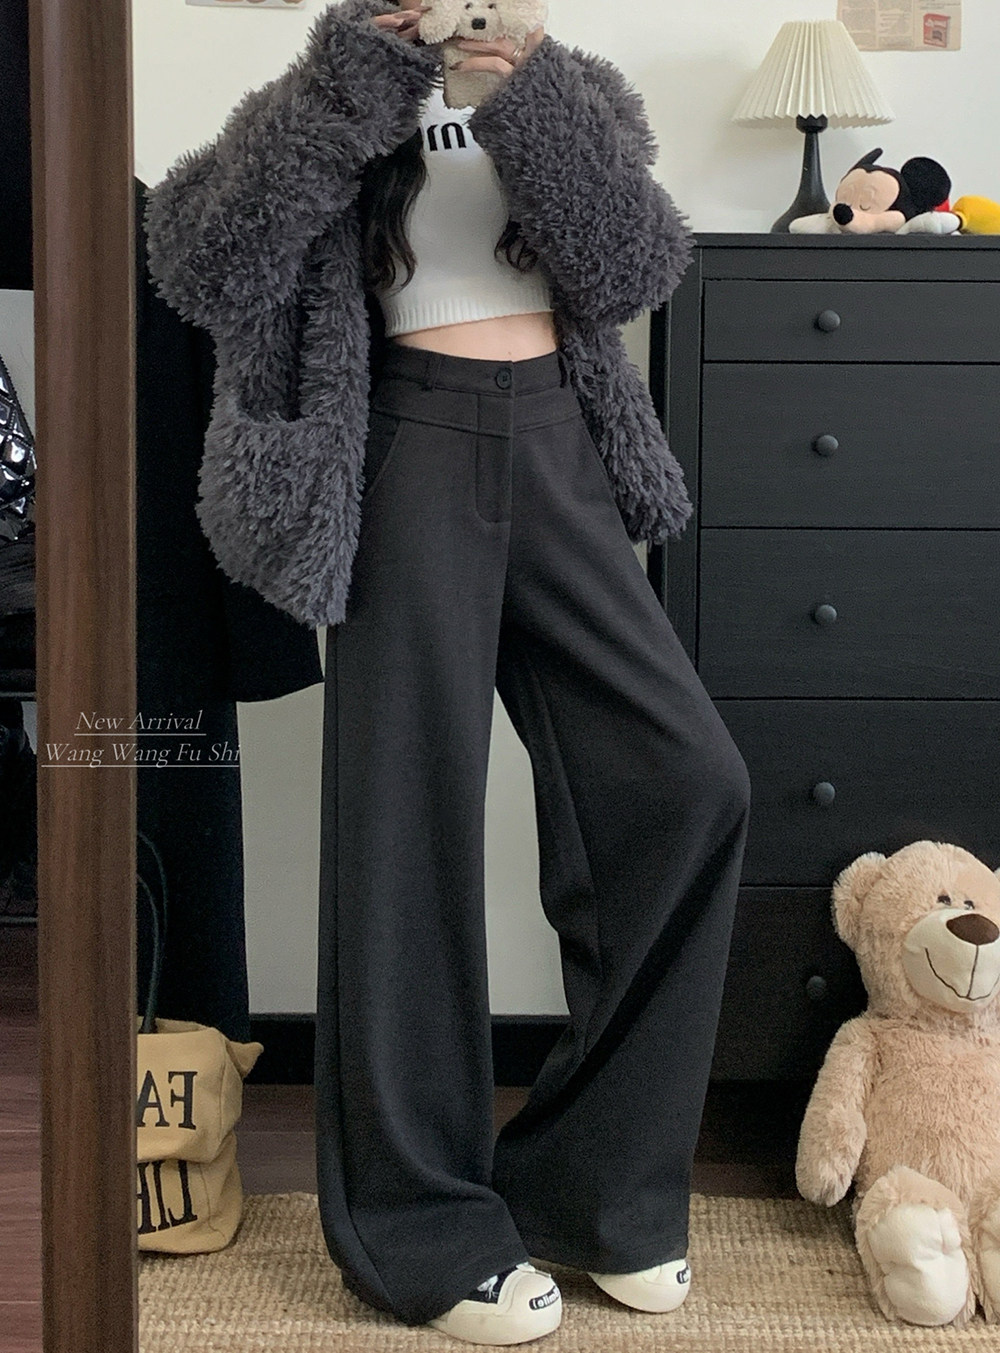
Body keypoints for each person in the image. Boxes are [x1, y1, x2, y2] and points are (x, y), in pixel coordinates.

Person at [145, 0, 752, 1345]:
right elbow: (202, 262)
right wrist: (360, 78)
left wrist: (521, 90)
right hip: (406, 449)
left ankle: (596, 1187)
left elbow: (635, 264)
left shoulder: (571, 89)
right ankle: (417, 1228)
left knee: (688, 785)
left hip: (562, 450)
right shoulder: (326, 95)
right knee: (405, 834)